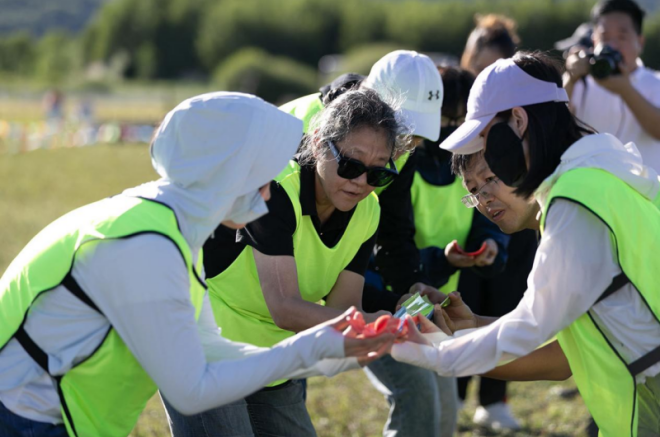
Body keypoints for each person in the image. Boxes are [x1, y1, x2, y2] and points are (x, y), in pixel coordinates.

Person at [0, 92, 393, 437]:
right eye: (261, 178)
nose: (268, 193)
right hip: (24, 418)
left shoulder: (170, 229)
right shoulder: (146, 244)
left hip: (55, 417)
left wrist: (335, 348)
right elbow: (191, 390)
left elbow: (212, 350)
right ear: (225, 172)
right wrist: (314, 347)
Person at [390, 50, 660, 437]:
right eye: (474, 189)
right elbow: (566, 350)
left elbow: (530, 325)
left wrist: (432, 351)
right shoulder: (603, 173)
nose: (488, 169)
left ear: (518, 121)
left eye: (487, 139)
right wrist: (472, 327)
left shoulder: (574, 200)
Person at [165, 88, 410, 436]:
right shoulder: (274, 189)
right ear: (318, 143)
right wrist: (384, 325)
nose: (361, 182)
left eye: (378, 173)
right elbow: (286, 309)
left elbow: (343, 310)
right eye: (351, 165)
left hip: (273, 358)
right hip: (202, 348)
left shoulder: (368, 211)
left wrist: (399, 313)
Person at [283, 51, 457, 437]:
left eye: (415, 137)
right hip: (261, 287)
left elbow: (393, 229)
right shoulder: (304, 131)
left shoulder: (394, 147)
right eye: (404, 133)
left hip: (333, 292)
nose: (405, 147)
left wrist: (411, 286)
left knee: (439, 378)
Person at [459, 15, 534, 430]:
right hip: (467, 223)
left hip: (513, 214)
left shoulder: (522, 121)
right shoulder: (457, 108)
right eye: (474, 67)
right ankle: (454, 393)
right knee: (465, 299)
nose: (478, 79)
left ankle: (493, 399)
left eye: (488, 69)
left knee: (508, 299)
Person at [564, 0, 660, 172]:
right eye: (605, 37)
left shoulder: (655, 82)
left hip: (643, 188)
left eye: (622, 37)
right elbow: (553, 121)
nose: (613, 45)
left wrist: (625, 90)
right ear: (594, 40)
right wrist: (570, 77)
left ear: (640, 42)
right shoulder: (581, 82)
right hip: (588, 186)